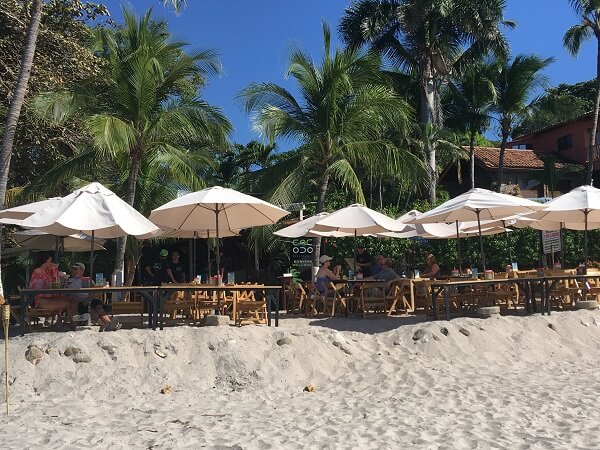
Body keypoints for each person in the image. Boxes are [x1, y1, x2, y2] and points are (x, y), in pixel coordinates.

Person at [66, 262, 120, 331]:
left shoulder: (87, 280)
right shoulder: (70, 281)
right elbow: (67, 293)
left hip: (89, 300)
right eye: (73, 269)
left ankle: (108, 323)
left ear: (82, 271)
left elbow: (97, 290)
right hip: (80, 303)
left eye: (76, 269)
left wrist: (89, 298)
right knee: (93, 311)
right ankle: (108, 325)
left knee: (99, 307)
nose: (74, 271)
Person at [29, 254, 72, 325]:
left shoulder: (48, 271)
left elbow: (59, 275)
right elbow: (35, 287)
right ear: (45, 261)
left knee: (68, 299)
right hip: (41, 300)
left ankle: (62, 320)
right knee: (67, 303)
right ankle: (72, 323)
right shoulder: (37, 271)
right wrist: (47, 284)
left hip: (50, 297)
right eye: (50, 261)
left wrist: (54, 267)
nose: (51, 263)